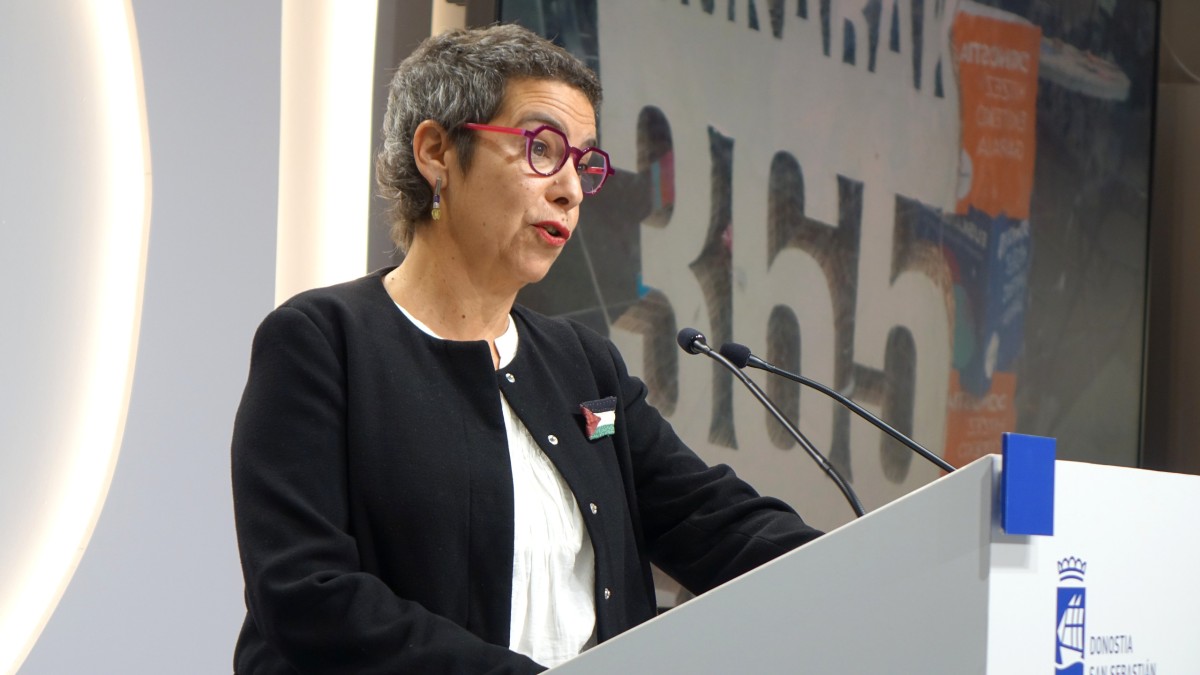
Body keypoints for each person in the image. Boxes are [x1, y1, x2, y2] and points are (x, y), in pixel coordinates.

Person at [231, 23, 822, 674]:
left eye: (584, 162)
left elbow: (712, 519)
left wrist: (872, 557)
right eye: (542, 148)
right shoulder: (322, 343)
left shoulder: (581, 365)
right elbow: (307, 593)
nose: (571, 189)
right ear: (436, 151)